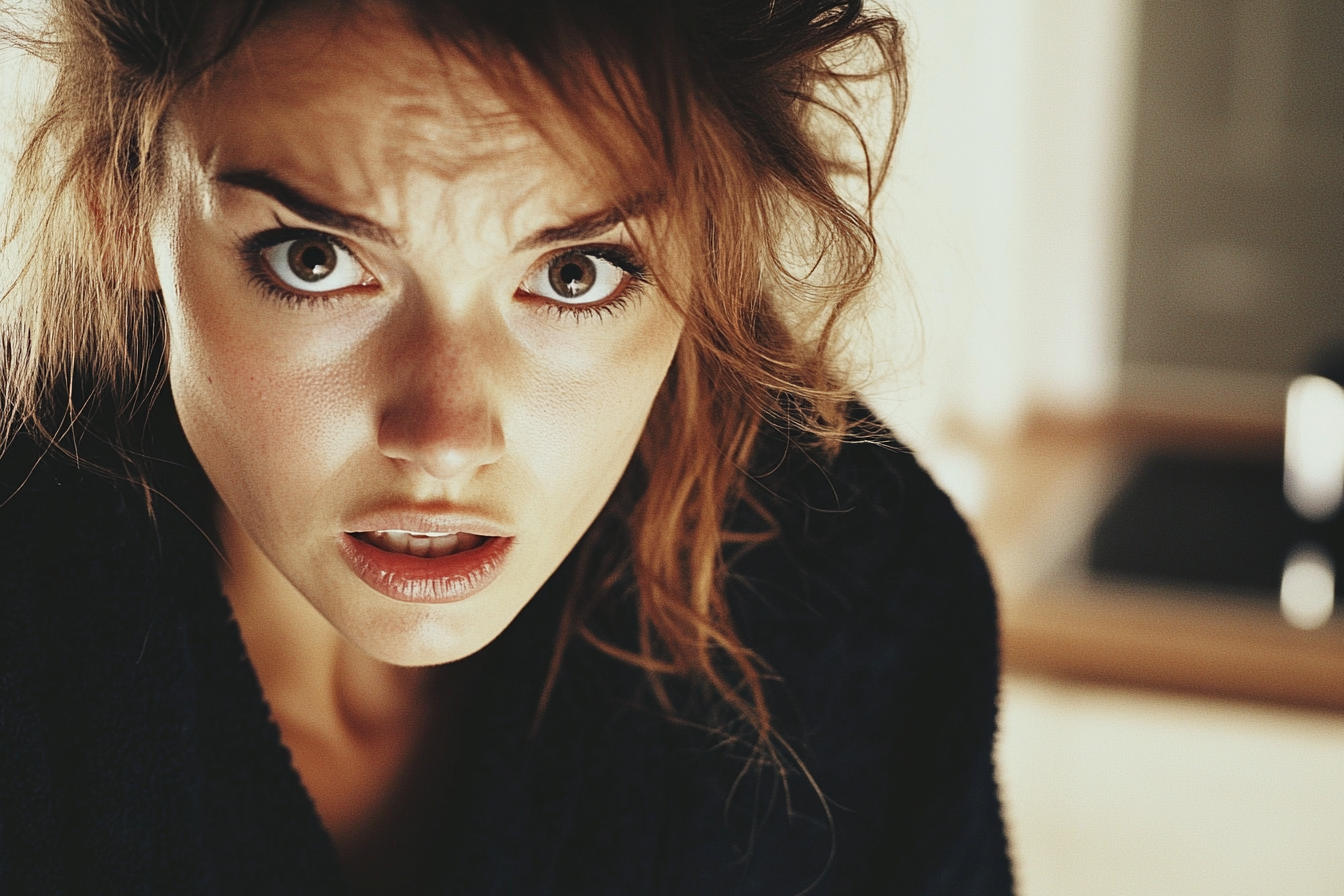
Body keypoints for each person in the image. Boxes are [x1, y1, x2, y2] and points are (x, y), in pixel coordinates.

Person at [0, 0, 1013, 892]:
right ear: (120, 204)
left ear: (715, 245)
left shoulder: (865, 603)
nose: (444, 440)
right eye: (315, 260)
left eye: (576, 273)